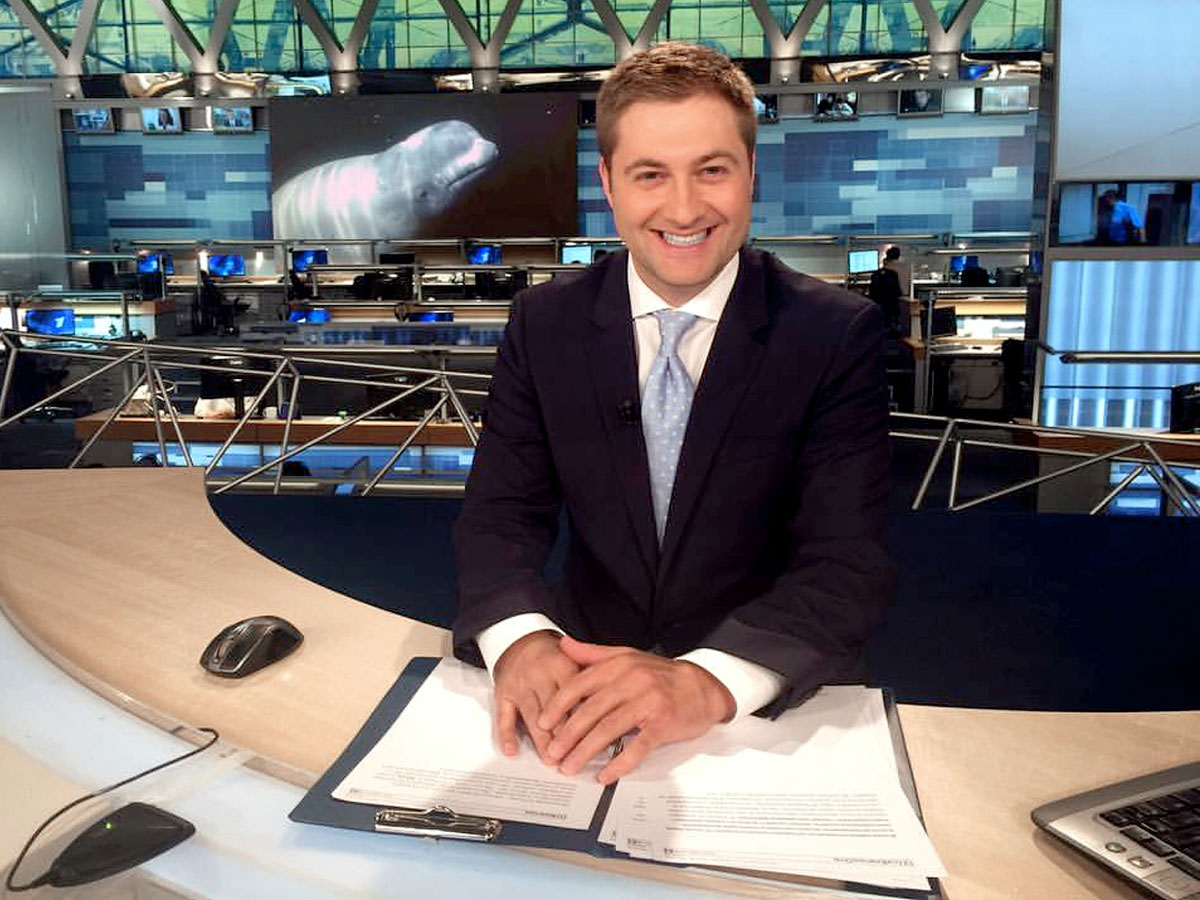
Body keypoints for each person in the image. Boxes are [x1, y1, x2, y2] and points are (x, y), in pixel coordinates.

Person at [453, 42, 893, 784]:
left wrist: (705, 681)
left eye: (712, 170)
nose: (685, 209)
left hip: (755, 706)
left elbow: (845, 559)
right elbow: (500, 516)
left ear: (751, 174)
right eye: (650, 174)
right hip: (583, 689)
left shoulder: (833, 333)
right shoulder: (544, 322)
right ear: (609, 183)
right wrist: (522, 639)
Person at [868, 247, 904, 334]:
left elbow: (872, 292)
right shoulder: (903, 267)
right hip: (897, 303)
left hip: (880, 304)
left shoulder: (879, 272)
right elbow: (899, 291)